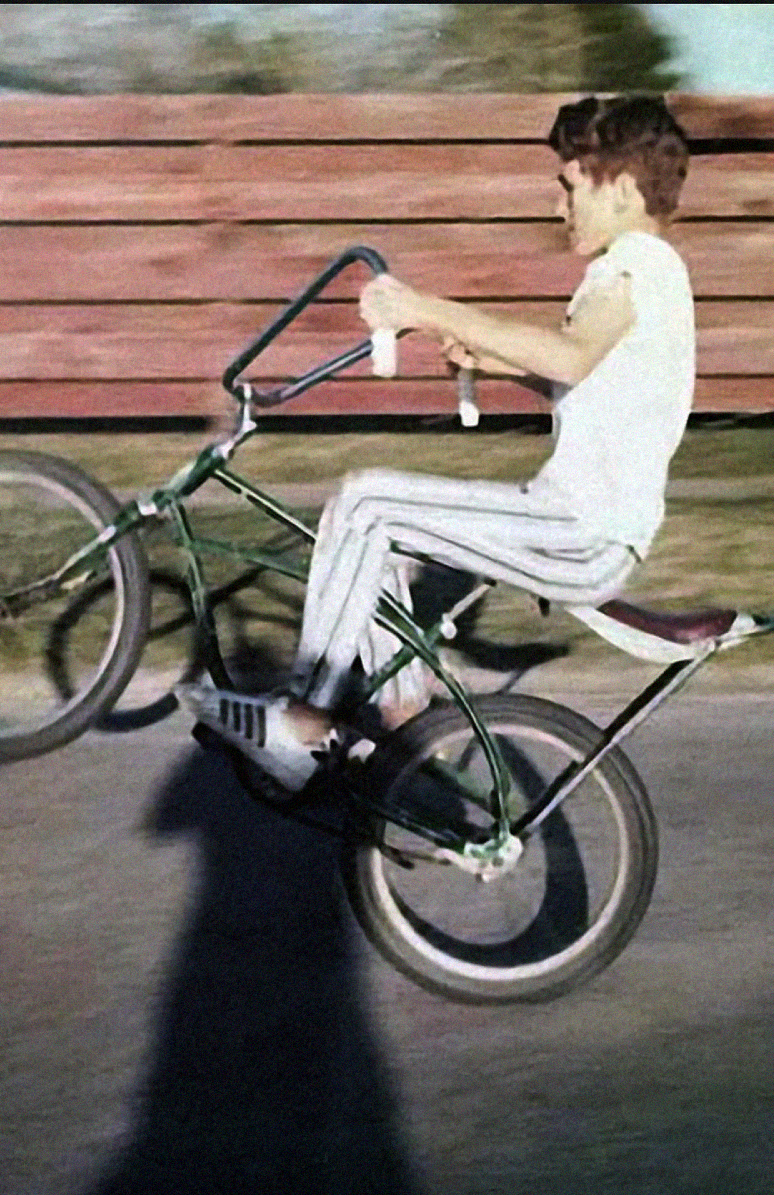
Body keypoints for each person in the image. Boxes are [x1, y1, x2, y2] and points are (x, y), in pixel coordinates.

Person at [184, 94, 695, 792]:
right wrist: (495, 362)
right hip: (583, 524)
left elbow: (572, 357)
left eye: (569, 185)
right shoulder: (654, 274)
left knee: (364, 500)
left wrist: (421, 308)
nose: (557, 206)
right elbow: (587, 382)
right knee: (382, 539)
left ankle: (303, 723)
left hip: (579, 527)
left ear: (625, 190)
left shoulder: (633, 264)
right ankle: (406, 719)